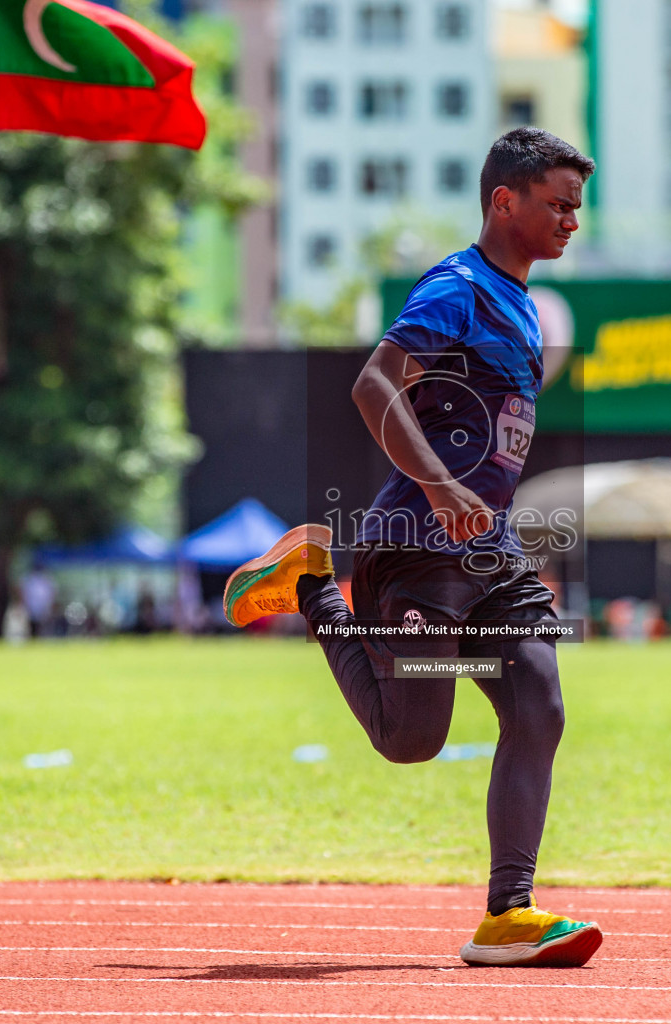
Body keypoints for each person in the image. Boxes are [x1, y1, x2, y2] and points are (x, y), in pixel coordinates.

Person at [223, 129, 602, 968]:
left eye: (578, 207)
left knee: (539, 702)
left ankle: (509, 914)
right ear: (505, 200)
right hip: (418, 545)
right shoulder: (457, 286)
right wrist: (438, 487)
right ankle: (312, 584)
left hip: (486, 551)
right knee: (411, 739)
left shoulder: (525, 305)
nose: (573, 221)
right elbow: (374, 383)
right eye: (559, 204)